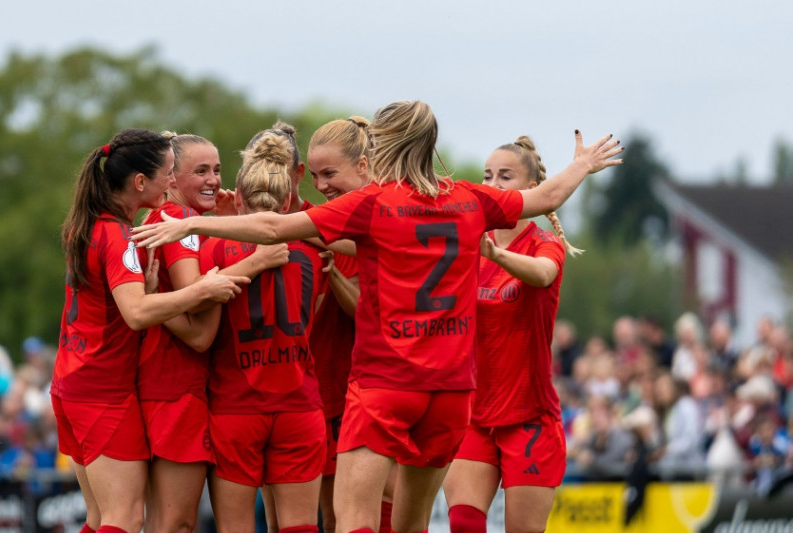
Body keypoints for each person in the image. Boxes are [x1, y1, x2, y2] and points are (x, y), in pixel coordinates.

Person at [131, 100, 623, 533]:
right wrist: (581, 165)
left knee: (354, 522)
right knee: (410, 525)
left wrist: (196, 225)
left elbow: (275, 227)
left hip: (386, 386)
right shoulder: (469, 198)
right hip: (452, 393)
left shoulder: (372, 203)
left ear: (381, 147)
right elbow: (546, 198)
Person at [53, 128, 248, 533]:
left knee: (100, 518)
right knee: (125, 519)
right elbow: (137, 313)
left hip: (72, 381)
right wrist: (204, 289)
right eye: (169, 172)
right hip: (103, 390)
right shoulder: (119, 234)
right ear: (140, 182)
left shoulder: (87, 224)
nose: (172, 181)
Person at [137, 133, 289, 533]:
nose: (213, 180)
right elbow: (199, 311)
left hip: (167, 385)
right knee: (177, 523)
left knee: (161, 520)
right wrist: (257, 260)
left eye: (218, 170)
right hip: (176, 387)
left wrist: (223, 225)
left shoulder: (177, 220)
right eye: (200, 171)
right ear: (171, 177)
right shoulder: (178, 222)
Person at [442, 135, 582, 533]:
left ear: (532, 189)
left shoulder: (543, 243)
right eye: (487, 176)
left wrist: (497, 255)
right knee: (463, 523)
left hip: (529, 418)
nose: (493, 184)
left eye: (505, 176)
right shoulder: (466, 242)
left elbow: (544, 274)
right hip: (473, 415)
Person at [200, 131, 326, 533]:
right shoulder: (314, 250)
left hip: (235, 407)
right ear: (288, 201)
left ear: (237, 197)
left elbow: (200, 311)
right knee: (300, 527)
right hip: (300, 407)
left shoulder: (214, 247)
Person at [305, 117, 381, 533]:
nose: (321, 186)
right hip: (324, 388)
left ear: (364, 166)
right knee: (333, 516)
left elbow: (366, 311)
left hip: (377, 387)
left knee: (381, 511)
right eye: (314, 175)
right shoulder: (320, 220)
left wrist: (330, 267)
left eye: (330, 174)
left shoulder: (381, 216)